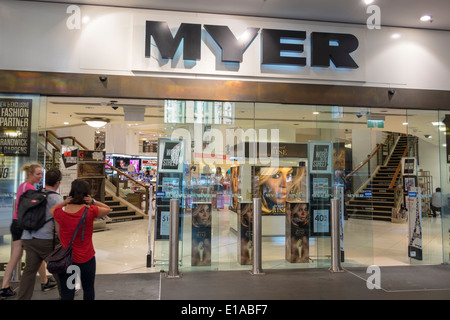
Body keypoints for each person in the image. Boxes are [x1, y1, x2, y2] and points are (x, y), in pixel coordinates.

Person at [0, 164, 56, 299]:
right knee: (16, 256)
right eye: (38, 174)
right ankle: (4, 286)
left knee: (35, 254)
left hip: (19, 224)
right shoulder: (28, 188)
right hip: (20, 225)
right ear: (30, 174)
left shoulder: (24, 186)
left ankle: (45, 281)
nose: (40, 176)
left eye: (41, 174)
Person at [49, 179, 111, 300]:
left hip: (67, 259)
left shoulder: (61, 212)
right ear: (86, 194)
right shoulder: (90, 211)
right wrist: (93, 201)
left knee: (68, 291)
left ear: (71, 193)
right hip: (86, 258)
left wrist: (64, 202)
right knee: (88, 289)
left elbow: (51, 210)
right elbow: (107, 209)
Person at [17, 168, 63, 300]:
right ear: (58, 183)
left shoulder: (35, 194)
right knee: (58, 268)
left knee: (29, 271)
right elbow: (58, 223)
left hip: (28, 237)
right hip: (45, 240)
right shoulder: (56, 198)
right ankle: (66, 294)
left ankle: (23, 298)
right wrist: (62, 241)